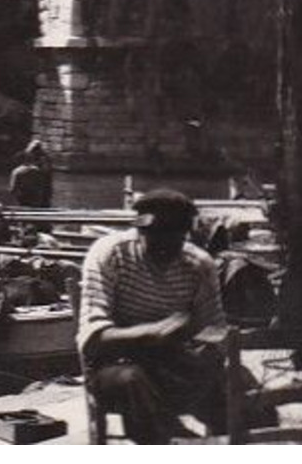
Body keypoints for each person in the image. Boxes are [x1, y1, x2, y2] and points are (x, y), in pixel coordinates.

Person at [78, 188, 229, 443]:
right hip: (113, 366)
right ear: (139, 230)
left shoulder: (199, 264)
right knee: (133, 382)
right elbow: (92, 341)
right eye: (153, 235)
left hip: (171, 362)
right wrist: (155, 331)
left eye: (171, 238)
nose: (161, 245)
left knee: (240, 391)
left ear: (185, 234)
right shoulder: (110, 254)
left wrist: (208, 351)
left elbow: (215, 329)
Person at [8, 139, 54, 208]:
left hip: (25, 202)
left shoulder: (17, 172)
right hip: (40, 202)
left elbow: (13, 190)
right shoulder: (43, 170)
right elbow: (48, 189)